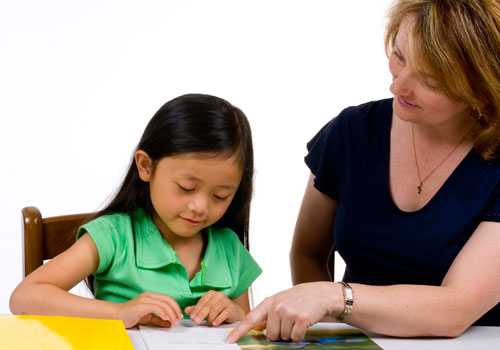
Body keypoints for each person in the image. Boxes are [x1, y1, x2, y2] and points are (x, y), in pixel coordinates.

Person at [228, 0, 500, 343]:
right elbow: (308, 253)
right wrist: (332, 336)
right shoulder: (351, 132)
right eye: (399, 57)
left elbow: (455, 309)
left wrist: (335, 297)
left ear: (482, 86)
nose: (397, 86)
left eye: (430, 80)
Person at [10, 93, 262, 328]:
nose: (200, 207)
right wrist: (118, 313)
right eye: (186, 187)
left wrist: (237, 315)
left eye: (221, 196)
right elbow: (25, 297)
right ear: (145, 166)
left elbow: (248, 328)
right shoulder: (114, 236)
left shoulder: (229, 248)